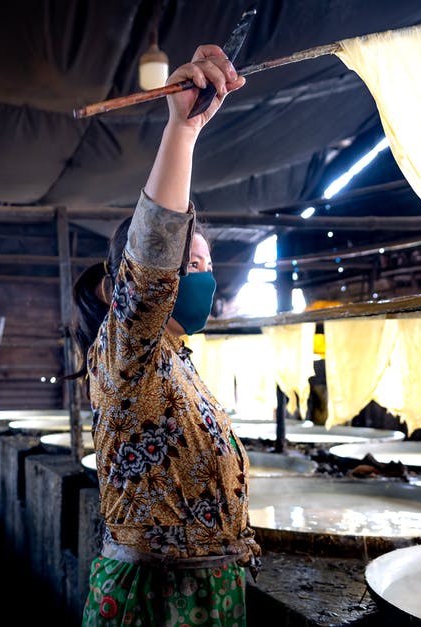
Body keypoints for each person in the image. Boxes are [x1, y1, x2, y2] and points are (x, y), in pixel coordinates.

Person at [70, 44, 258, 627]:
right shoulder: (131, 353)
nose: (204, 275)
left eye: (206, 263)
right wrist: (183, 131)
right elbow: (151, 261)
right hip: (155, 601)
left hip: (208, 592)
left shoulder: (177, 360)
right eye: (190, 263)